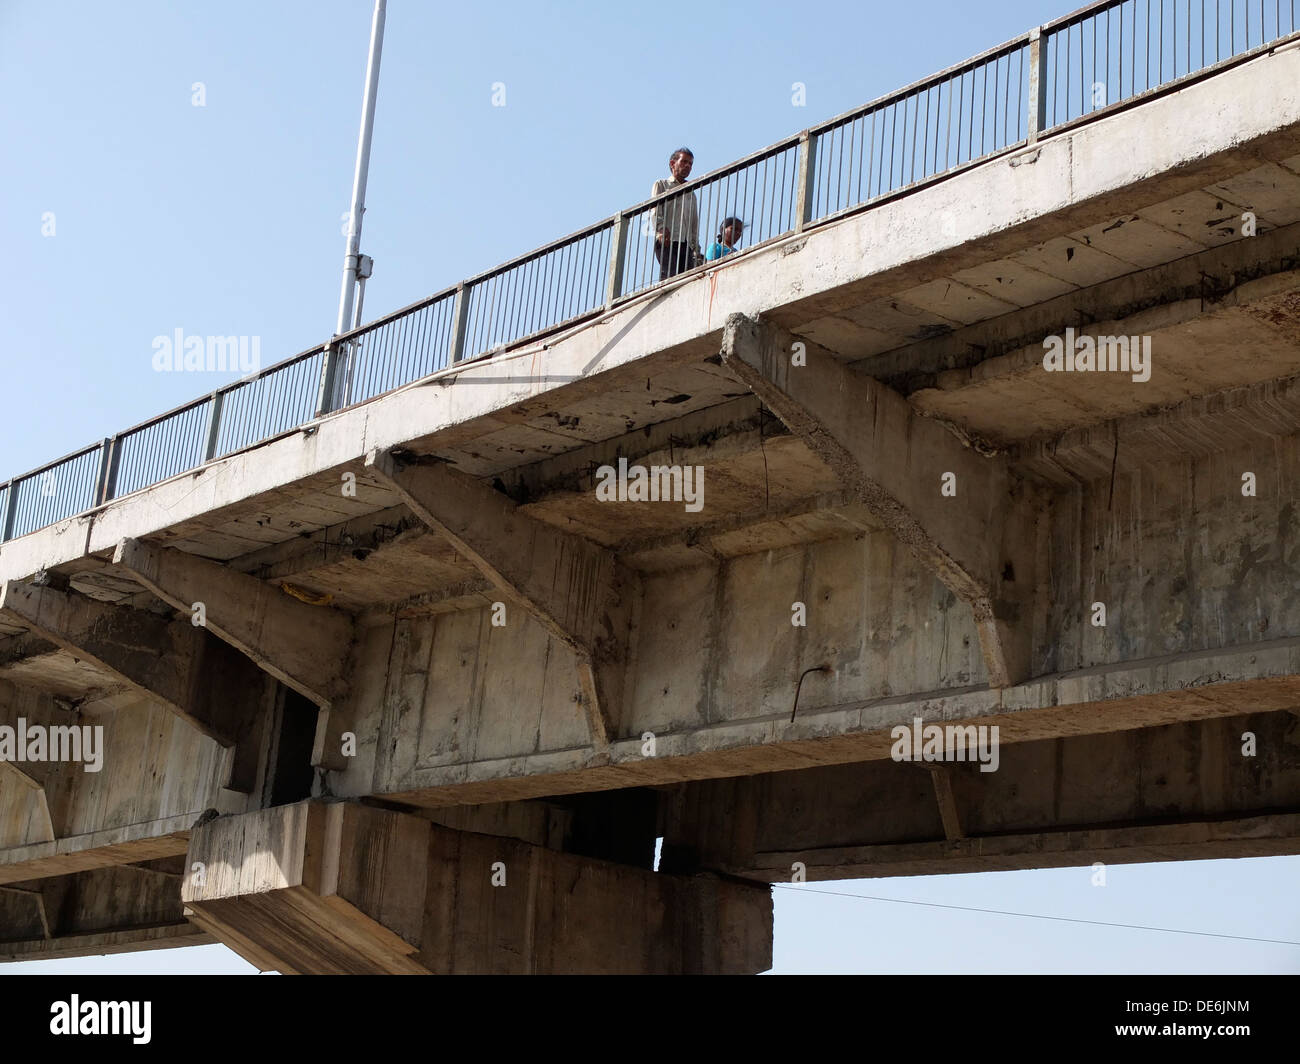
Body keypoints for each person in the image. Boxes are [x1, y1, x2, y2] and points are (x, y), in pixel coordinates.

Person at [651, 148, 703, 280]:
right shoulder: (662, 185)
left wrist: (696, 249)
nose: (687, 166)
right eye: (684, 161)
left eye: (690, 164)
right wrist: (661, 230)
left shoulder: (691, 193)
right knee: (670, 277)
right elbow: (655, 211)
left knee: (687, 280)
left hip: (685, 245)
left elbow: (693, 224)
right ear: (673, 163)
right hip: (668, 240)